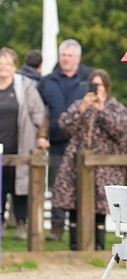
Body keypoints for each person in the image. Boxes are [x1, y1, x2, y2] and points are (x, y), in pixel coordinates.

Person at [0, 47, 47, 240]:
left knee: (20, 187)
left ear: (15, 67)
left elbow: (38, 112)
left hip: (20, 144)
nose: (3, 67)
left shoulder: (25, 86)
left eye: (7, 63)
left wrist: (38, 133)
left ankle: (21, 224)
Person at [49, 70, 127, 251]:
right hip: (76, 165)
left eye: (98, 85)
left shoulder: (115, 107)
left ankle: (98, 247)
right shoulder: (79, 105)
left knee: (100, 209)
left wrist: (102, 111)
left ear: (106, 87)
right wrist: (82, 109)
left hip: (105, 167)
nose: (95, 89)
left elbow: (121, 131)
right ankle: (75, 246)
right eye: (92, 85)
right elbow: (64, 126)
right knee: (74, 206)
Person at [38, 39, 95, 241]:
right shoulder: (47, 81)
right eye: (63, 55)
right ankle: (56, 228)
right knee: (57, 187)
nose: (66, 59)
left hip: (82, 144)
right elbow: (41, 112)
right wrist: (41, 135)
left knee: (82, 186)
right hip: (57, 143)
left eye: (70, 55)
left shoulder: (89, 78)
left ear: (78, 58)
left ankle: (80, 228)